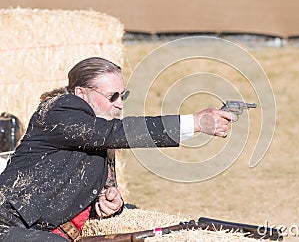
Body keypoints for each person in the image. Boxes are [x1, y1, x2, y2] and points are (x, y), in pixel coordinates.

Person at [0, 57, 236, 241]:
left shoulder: (95, 135)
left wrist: (110, 205)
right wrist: (194, 122)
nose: (120, 104)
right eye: (112, 96)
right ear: (82, 93)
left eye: (123, 95)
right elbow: (116, 132)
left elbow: (83, 185)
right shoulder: (60, 110)